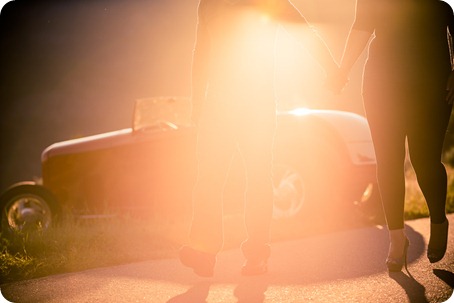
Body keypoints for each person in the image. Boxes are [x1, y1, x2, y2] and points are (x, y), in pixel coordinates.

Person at [179, 0, 338, 277]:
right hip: (217, 106)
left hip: (258, 107)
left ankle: (256, 256)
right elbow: (200, 51)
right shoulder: (208, 3)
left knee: (257, 178)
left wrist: (332, 69)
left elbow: (304, 30)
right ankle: (204, 253)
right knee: (208, 178)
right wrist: (196, 103)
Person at [329, 0, 454, 272]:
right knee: (388, 163)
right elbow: (360, 28)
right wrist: (342, 69)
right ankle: (396, 239)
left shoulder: (440, 6)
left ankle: (438, 220)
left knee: (425, 163)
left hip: (431, 88)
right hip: (380, 87)